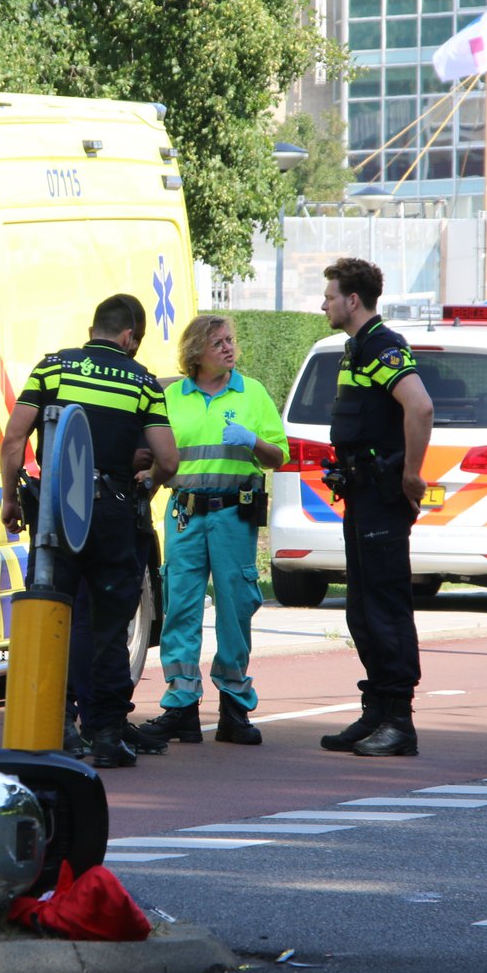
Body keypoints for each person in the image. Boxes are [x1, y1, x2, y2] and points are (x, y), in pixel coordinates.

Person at [0, 295, 179, 768]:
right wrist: (149, 484)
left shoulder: (53, 368)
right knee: (108, 624)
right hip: (114, 516)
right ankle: (105, 734)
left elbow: (15, 437)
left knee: (52, 613)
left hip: (56, 512)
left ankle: (53, 724)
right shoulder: (142, 382)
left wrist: (10, 498)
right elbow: (169, 459)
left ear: (94, 327)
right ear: (128, 337)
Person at [138, 315, 287, 747]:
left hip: (234, 517)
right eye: (218, 342)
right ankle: (182, 707)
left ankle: (234, 709)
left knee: (235, 610)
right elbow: (151, 453)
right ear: (196, 353)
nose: (228, 348)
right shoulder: (171, 398)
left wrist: (252, 442)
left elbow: (279, 456)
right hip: (185, 514)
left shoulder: (252, 392)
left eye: (231, 340)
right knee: (180, 608)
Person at [318, 256, 434, 757]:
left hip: (382, 497)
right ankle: (376, 712)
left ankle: (399, 722)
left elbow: (420, 405)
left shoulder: (383, 347)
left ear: (353, 300)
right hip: (361, 496)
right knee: (362, 609)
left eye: (329, 295)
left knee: (385, 608)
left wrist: (410, 472)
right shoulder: (357, 348)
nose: (323, 303)